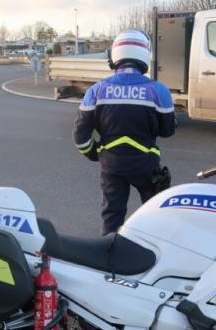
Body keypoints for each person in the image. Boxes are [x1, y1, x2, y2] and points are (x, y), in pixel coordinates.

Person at [72, 29, 176, 236]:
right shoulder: (159, 90)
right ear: (145, 55)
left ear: (115, 56)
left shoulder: (97, 90)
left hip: (111, 166)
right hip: (146, 165)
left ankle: (109, 259)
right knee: (155, 216)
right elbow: (167, 131)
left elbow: (80, 136)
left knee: (112, 217)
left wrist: (95, 154)